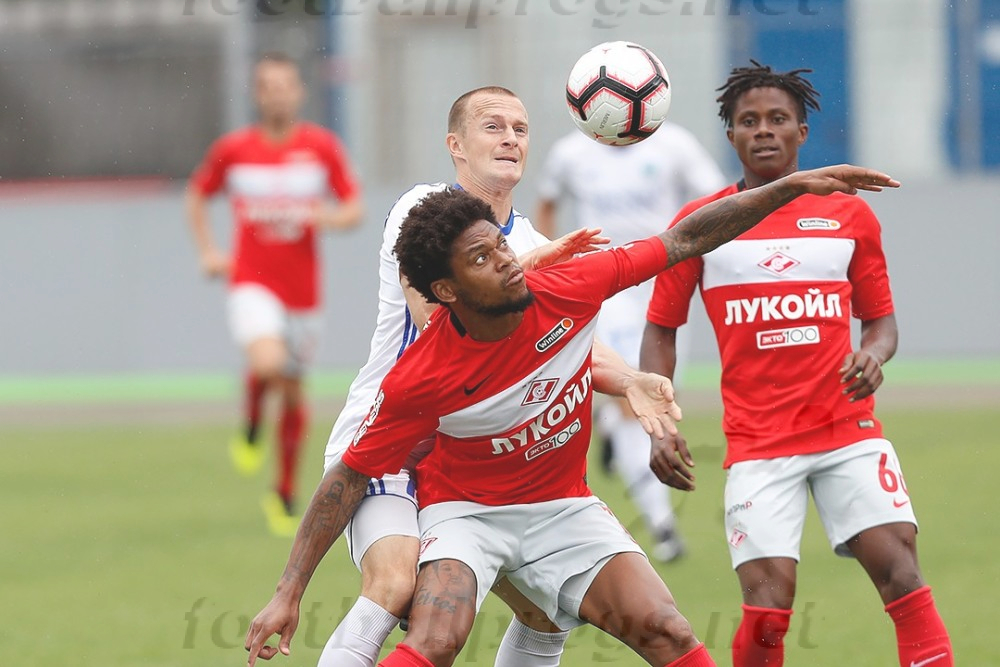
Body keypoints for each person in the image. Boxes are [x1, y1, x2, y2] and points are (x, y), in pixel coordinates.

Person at [245, 166, 899, 667]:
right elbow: (347, 480)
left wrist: (788, 188)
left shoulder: (570, 285)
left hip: (563, 507)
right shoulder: (421, 377)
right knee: (439, 636)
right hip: (467, 514)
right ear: (446, 291)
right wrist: (288, 591)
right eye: (480, 259)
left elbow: (685, 238)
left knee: (667, 629)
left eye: (499, 246)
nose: (506, 260)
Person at [317, 85, 682, 667]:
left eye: (520, 128)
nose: (510, 138)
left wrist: (630, 379)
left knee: (545, 613)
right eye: (493, 126)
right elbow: (443, 323)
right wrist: (530, 268)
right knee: (394, 584)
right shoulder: (424, 214)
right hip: (388, 446)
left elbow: (561, 345)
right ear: (455, 145)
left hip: (467, 460)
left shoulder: (532, 244)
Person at [640, 62, 953, 667]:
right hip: (758, 444)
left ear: (801, 132)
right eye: (748, 121)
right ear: (730, 135)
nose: (763, 130)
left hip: (848, 431)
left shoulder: (850, 215)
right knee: (767, 611)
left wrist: (873, 355)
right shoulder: (702, 224)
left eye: (777, 119)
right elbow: (661, 330)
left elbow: (881, 323)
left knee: (903, 576)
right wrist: (659, 421)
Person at [186, 52, 364, 536]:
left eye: (287, 85)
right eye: (269, 86)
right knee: (269, 363)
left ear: (299, 92)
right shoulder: (235, 150)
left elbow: (354, 208)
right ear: (257, 94)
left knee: (292, 389)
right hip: (252, 280)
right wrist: (209, 252)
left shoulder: (320, 147)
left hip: (303, 293)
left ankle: (283, 490)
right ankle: (251, 420)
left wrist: (326, 217)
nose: (279, 95)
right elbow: (197, 194)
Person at [535, 122, 726, 562]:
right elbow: (546, 203)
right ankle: (662, 526)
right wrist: (552, 267)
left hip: (663, 280)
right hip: (605, 288)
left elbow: (717, 201)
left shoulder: (676, 143)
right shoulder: (570, 152)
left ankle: (607, 424)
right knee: (633, 398)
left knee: (660, 392)